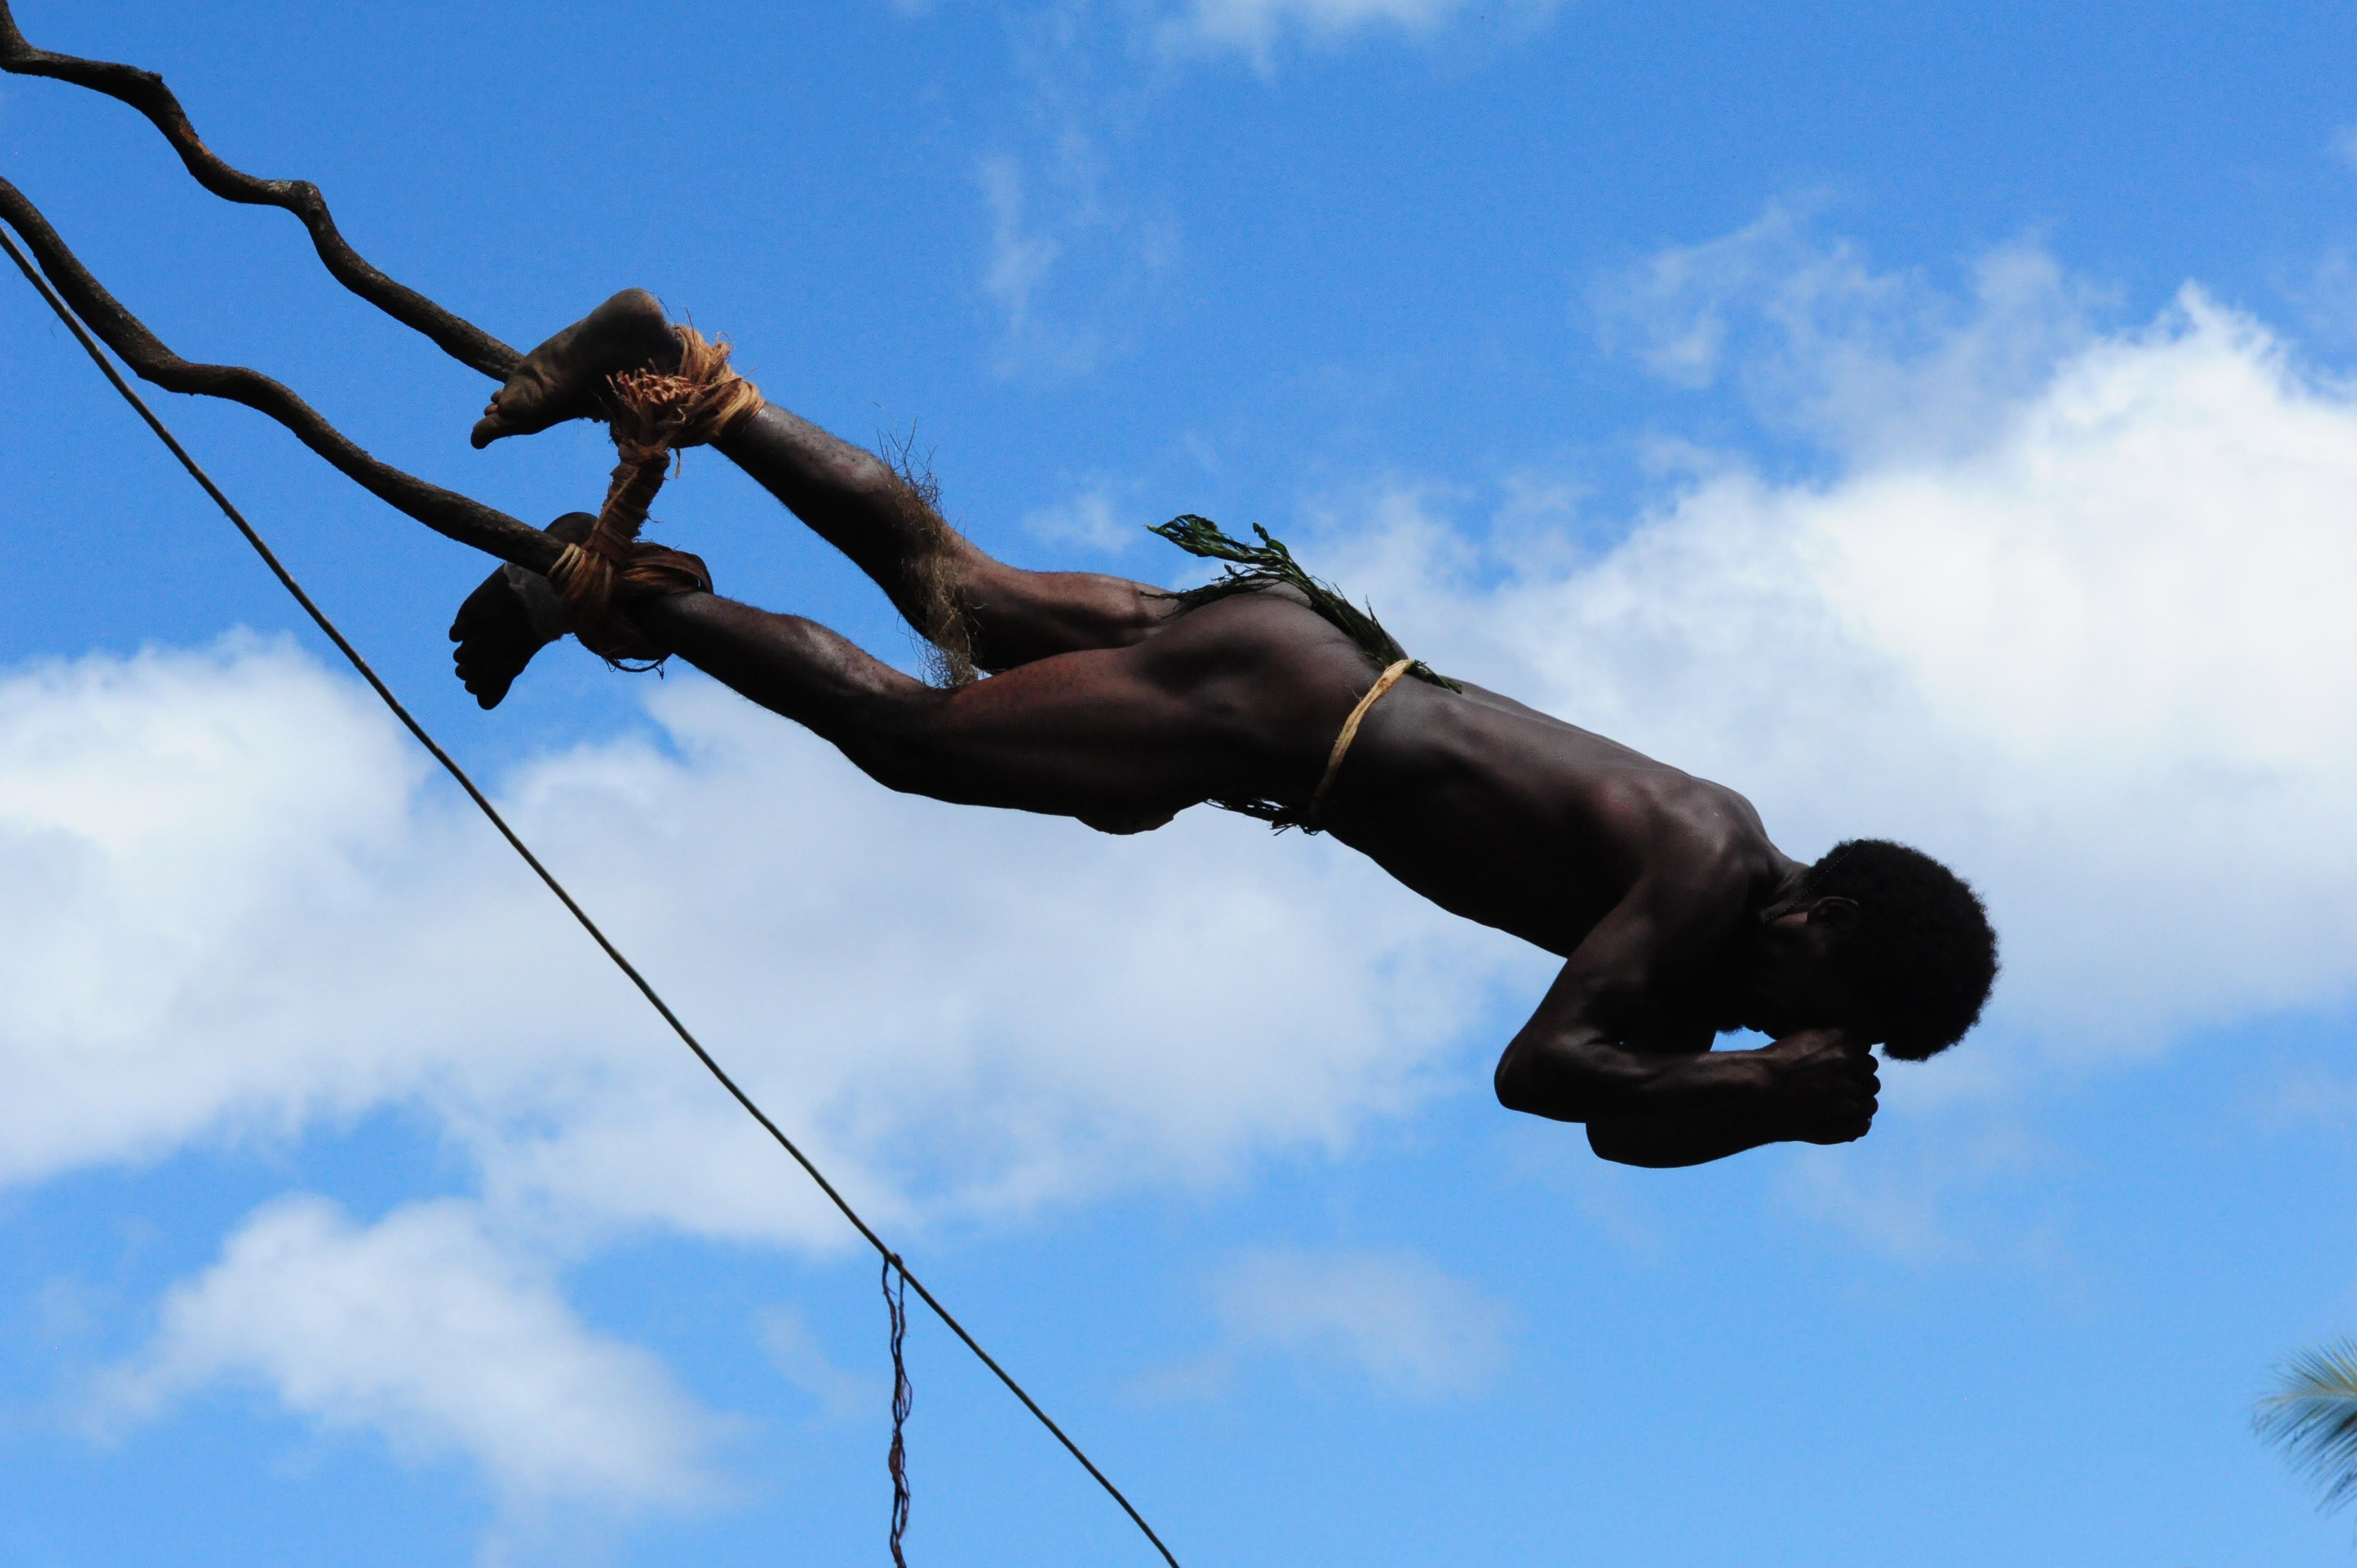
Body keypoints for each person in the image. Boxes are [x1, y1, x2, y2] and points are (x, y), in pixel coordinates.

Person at [451, 291, 1999, 1169]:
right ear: (1827, 914)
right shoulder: (1707, 871)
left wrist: (1757, 1100)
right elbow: (1540, 1074)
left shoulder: (1715, 936)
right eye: (1825, 1001)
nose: (1776, 1028)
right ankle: (625, 593)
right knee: (918, 737)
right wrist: (1776, 1097)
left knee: (961, 588)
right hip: (1279, 714)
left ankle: (669, 380)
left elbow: (1615, 1127)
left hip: (1304, 663)